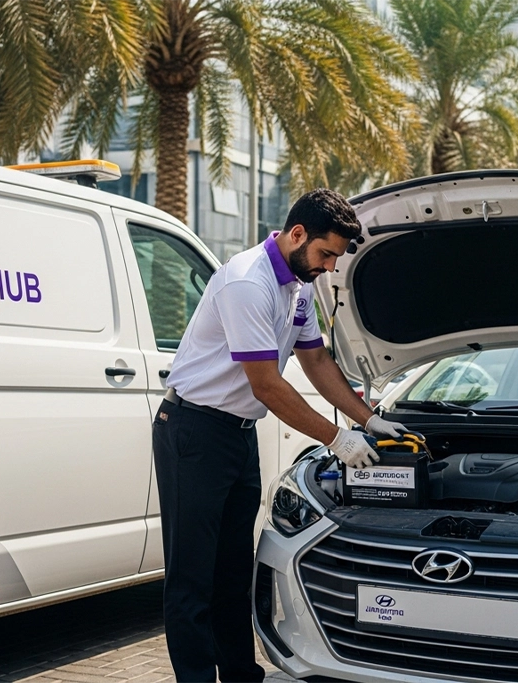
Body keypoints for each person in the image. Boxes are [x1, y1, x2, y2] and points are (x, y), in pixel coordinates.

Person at [152, 188, 406, 683]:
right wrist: (338, 439)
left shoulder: (299, 283)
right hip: (193, 433)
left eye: (334, 257)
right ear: (296, 234)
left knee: (233, 573)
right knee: (191, 580)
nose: (330, 267)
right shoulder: (248, 282)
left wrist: (368, 418)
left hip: (238, 435)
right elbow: (267, 384)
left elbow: (316, 361)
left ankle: (241, 676)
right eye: (326, 253)